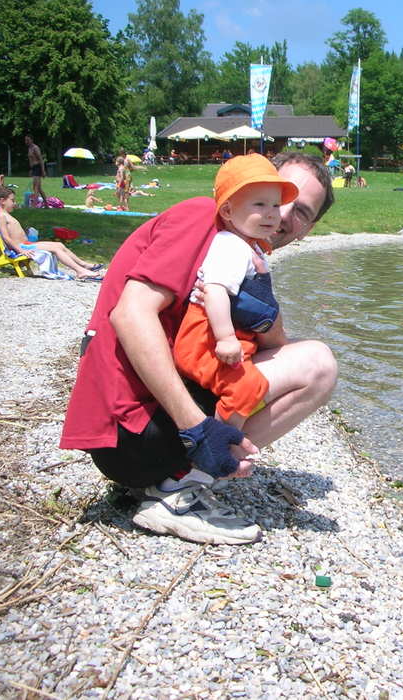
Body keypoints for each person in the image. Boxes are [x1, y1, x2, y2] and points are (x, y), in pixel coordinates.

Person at [59, 152, 336, 546]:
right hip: (129, 433)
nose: (282, 211)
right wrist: (197, 430)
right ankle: (178, 489)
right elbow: (131, 314)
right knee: (319, 365)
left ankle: (174, 478)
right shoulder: (201, 217)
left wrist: (264, 310)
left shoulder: (243, 253)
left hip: (140, 432)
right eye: (274, 192)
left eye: (301, 210)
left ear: (308, 229)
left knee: (290, 359)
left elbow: (273, 345)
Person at [173, 154, 297, 442]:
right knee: (247, 387)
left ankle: (228, 429)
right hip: (205, 338)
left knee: (254, 382)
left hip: (222, 336)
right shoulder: (231, 247)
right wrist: (226, 337)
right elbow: (214, 290)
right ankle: (217, 444)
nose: (271, 214)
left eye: (276, 205)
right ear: (227, 211)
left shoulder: (249, 246)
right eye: (259, 204)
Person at [0, 186, 103, 280]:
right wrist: (20, 250)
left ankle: (84, 265)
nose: (14, 203)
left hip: (26, 244)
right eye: (12, 200)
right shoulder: (1, 216)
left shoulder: (6, 215)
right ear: (2, 201)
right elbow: (6, 237)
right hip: (22, 247)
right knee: (55, 248)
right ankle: (80, 271)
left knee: (59, 245)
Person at [25, 135, 47, 204]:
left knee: (36, 187)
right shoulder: (29, 148)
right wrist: (31, 169)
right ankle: (46, 204)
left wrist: (43, 171)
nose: (26, 142)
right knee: (39, 188)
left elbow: (40, 159)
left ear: (32, 140)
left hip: (38, 168)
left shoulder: (35, 148)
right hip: (34, 168)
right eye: (25, 140)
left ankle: (34, 205)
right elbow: (31, 160)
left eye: (28, 140)